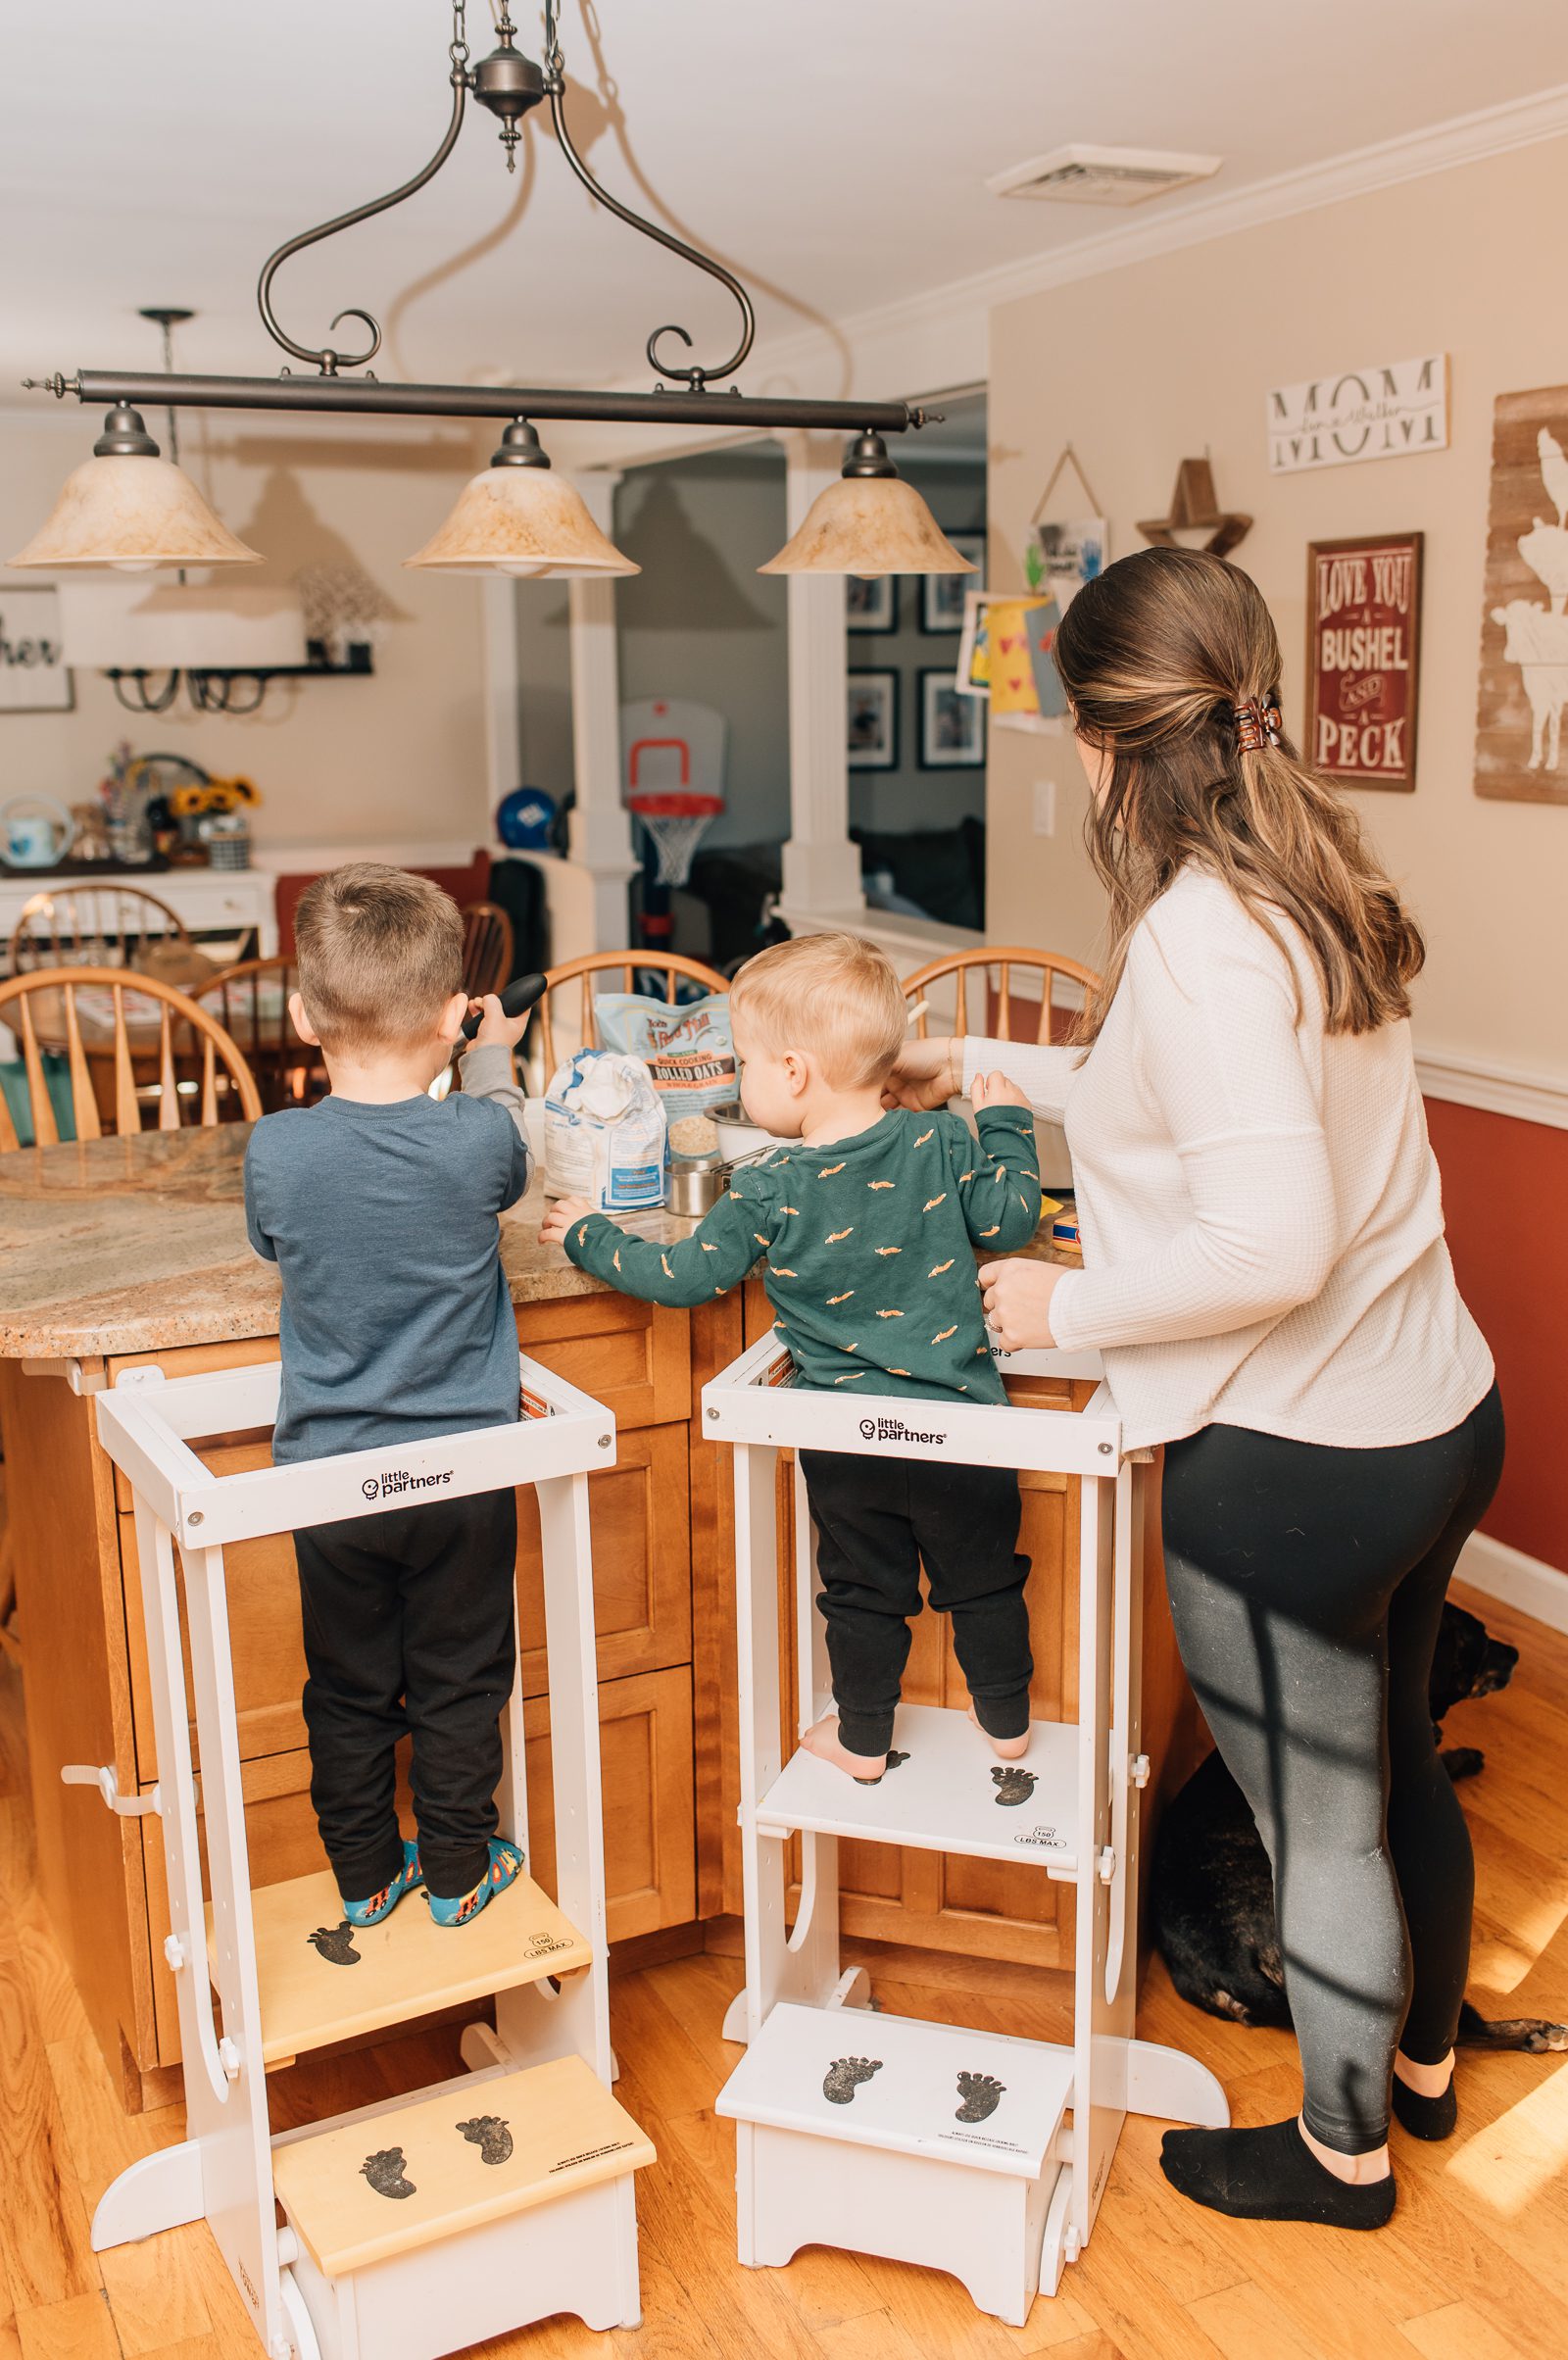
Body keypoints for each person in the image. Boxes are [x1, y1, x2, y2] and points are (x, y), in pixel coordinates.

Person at [890, 547, 1500, 2232]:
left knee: (1319, 1817)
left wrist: (1064, 1298)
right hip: (1434, 1420)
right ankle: (1423, 2076)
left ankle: (1336, 2154)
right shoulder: (1311, 886)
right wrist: (995, 1063)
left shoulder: (1193, 935)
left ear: (1098, 744)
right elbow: (1196, 1102)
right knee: (1382, 1767)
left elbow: (1268, 1237)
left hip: (1298, 1467)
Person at [540, 932, 1044, 1782]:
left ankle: (862, 1743)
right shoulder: (942, 1142)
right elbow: (1009, 1221)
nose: (740, 1081)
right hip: (965, 1434)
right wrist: (1005, 1121)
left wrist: (585, 1235)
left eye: (744, 1062)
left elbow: (684, 1274)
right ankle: (1007, 1727)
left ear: (795, 1072)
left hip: (848, 1440)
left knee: (861, 1595)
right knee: (986, 1581)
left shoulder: (768, 1184)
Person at [243, 863, 536, 1931]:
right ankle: (459, 1870)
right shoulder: (476, 1135)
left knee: (350, 1684)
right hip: (463, 1476)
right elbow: (512, 1153)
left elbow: (274, 1239)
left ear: (300, 1014)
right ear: (455, 1015)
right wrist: (492, 1058)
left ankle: (367, 1874)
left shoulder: (277, 1149)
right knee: (461, 1677)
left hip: (331, 1484)